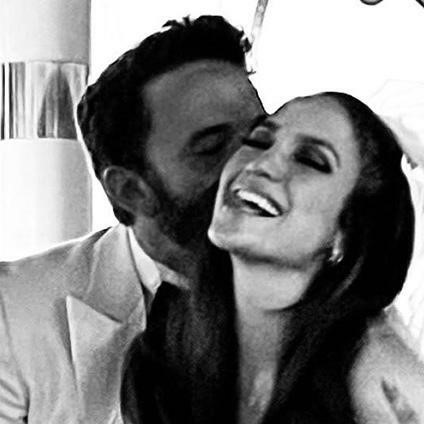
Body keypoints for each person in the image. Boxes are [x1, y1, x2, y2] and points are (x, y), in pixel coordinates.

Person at [0, 16, 263, 423]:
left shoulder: (328, 292)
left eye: (261, 136)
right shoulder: (14, 313)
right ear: (130, 190)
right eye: (212, 149)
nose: (254, 165)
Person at [122, 92, 424, 424]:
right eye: (258, 141)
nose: (259, 164)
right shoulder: (159, 360)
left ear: (345, 234)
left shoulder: (383, 383)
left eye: (309, 160)